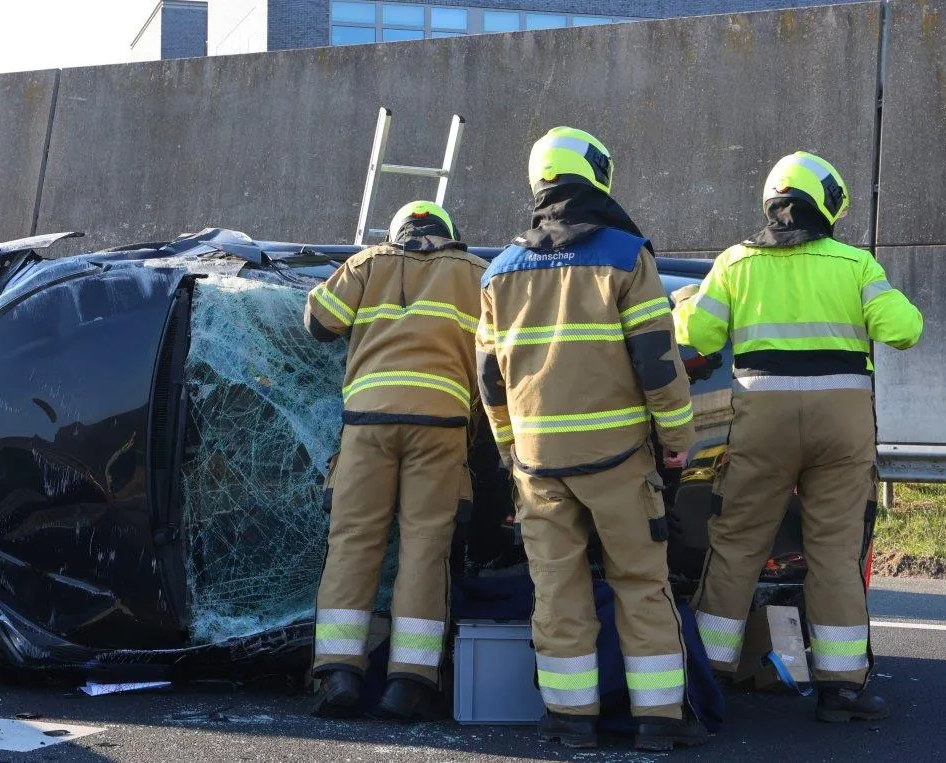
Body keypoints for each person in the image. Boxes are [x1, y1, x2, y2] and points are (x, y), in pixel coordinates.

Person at [477, 127, 709, 752]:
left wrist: (509, 452)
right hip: (618, 461)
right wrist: (676, 438)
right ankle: (659, 722)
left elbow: (491, 383)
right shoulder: (626, 256)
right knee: (639, 583)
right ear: (596, 176)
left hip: (537, 465)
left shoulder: (498, 272)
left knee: (556, 590)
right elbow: (658, 364)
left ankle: (569, 720)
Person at [674, 151, 923, 723]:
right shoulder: (854, 264)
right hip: (842, 426)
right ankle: (842, 690)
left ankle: (706, 681)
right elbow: (904, 330)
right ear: (827, 205)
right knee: (834, 552)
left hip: (761, 420)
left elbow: (697, 336)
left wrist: (689, 302)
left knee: (737, 545)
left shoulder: (736, 264)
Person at [304, 200, 489, 721]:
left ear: (399, 232)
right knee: (426, 549)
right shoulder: (476, 273)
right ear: (451, 234)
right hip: (443, 427)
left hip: (368, 425)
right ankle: (408, 684)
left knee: (353, 543)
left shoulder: (369, 262)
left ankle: (338, 673)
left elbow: (319, 322)